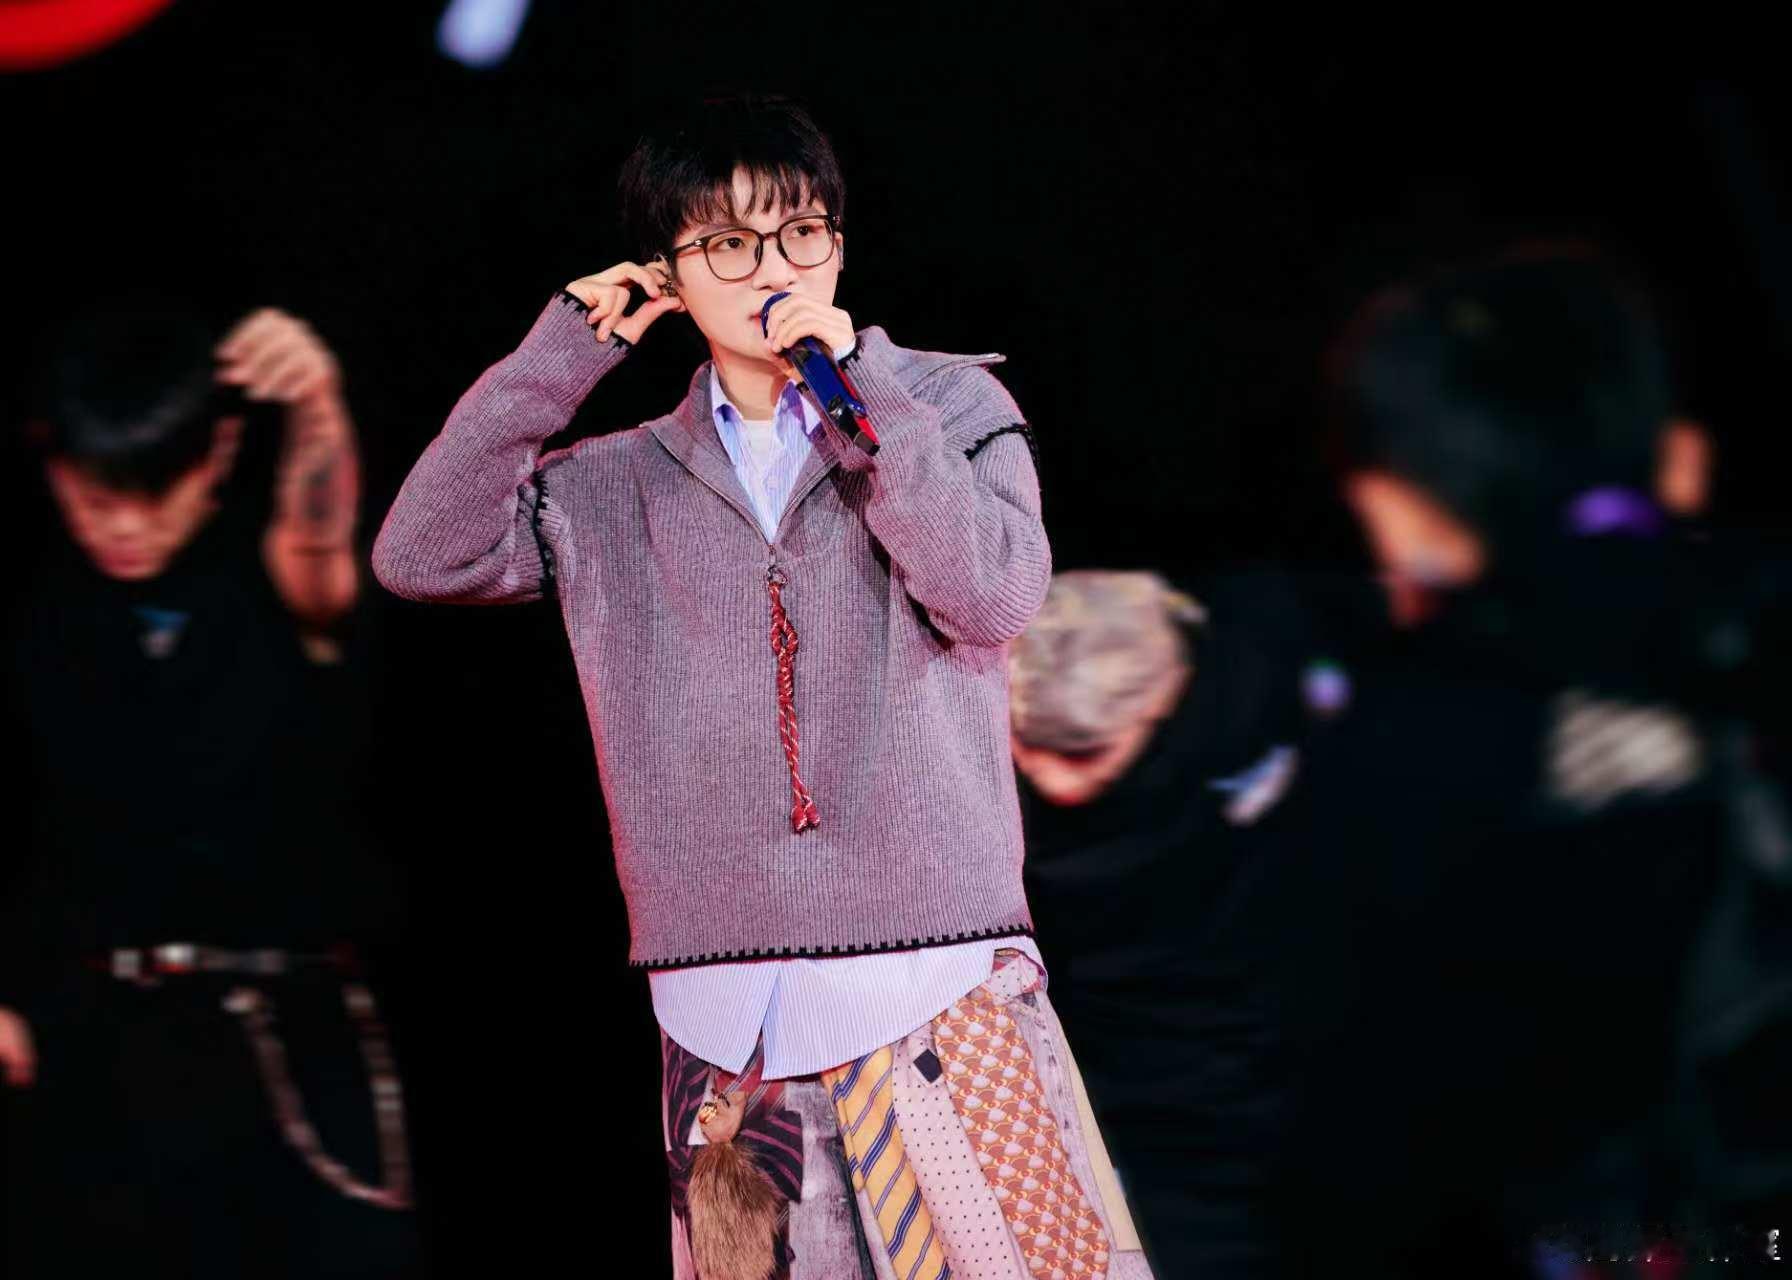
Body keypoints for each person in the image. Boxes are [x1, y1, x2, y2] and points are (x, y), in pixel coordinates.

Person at [373, 93, 1153, 1279]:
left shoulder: (943, 406)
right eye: (728, 243)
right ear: (670, 276)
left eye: (800, 231)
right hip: (722, 1013)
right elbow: (421, 553)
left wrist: (866, 398)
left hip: (935, 979)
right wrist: (557, 359)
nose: (773, 268)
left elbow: (993, 595)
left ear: (837, 242)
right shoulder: (613, 482)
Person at [1278, 244, 1760, 1275]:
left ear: (1394, 514)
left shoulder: (1394, 754)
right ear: (1677, 455)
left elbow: (1355, 1170)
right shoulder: (1749, 628)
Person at [0, 296, 418, 1278]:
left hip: (285, 1050)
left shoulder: (274, 577)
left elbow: (318, 544)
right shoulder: (40, 613)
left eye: (157, 490)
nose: (124, 523)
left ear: (220, 452)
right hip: (86, 1056)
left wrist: (315, 402)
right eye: (95, 494)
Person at [1009, 568, 1312, 1278]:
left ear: (1164, 698)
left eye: (1083, 752)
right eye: (1027, 743)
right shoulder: (980, 758)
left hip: (1241, 1098)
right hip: (1084, 1098)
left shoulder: (1254, 720)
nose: (1054, 776)